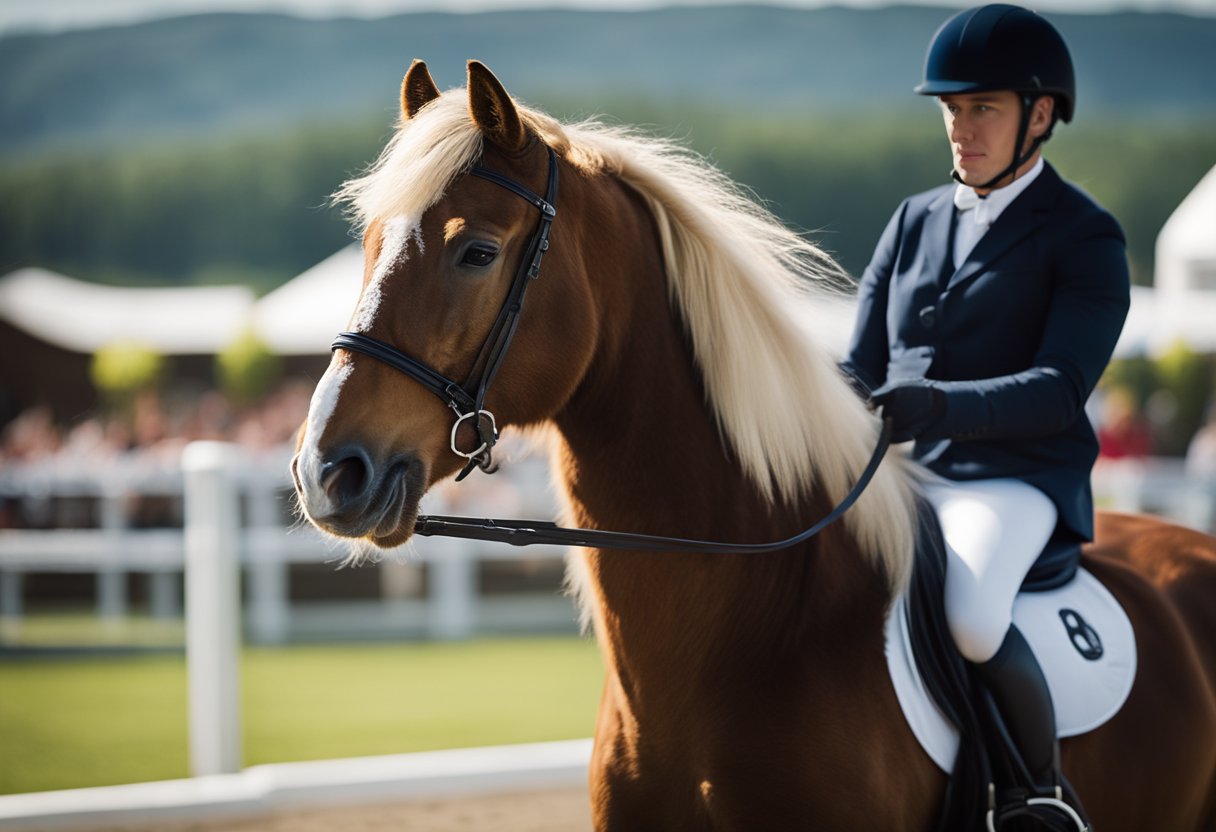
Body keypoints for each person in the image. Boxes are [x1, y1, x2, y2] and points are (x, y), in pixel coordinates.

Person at [840, 3, 1130, 825]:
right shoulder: (914, 219)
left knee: (970, 615)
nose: (962, 130)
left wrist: (936, 406)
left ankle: (1035, 794)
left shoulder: (1084, 236)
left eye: (984, 110)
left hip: (1014, 476)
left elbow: (1058, 387)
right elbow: (857, 365)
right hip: (900, 468)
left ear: (1040, 116)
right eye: (952, 111)